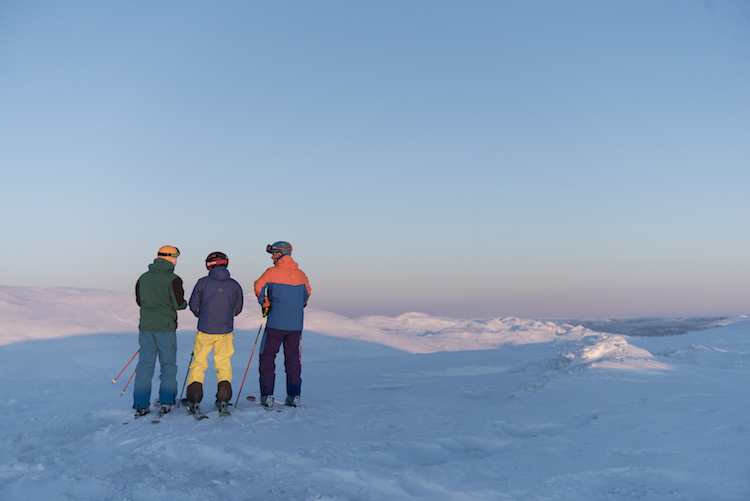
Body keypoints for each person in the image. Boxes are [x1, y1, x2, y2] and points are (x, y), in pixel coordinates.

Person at [185, 252, 244, 415]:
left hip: (205, 330)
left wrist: (202, 315)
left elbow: (193, 305)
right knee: (223, 363)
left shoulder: (202, 282)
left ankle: (194, 398)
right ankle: (224, 398)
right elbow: (238, 309)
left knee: (199, 363)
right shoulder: (234, 285)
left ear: (209, 265)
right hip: (225, 331)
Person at [254, 241, 311, 408]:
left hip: (275, 324)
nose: (272, 256)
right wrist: (299, 305)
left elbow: (258, 286)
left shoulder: (272, 272)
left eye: (273, 253)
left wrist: (265, 304)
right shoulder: (301, 274)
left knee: (267, 358)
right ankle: (294, 396)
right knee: (293, 361)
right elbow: (307, 293)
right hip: (295, 326)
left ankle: (267, 396)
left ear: (280, 254)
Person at [133, 245, 188, 417]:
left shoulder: (143, 278)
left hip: (146, 328)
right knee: (168, 365)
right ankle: (167, 401)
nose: (177, 260)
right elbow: (179, 304)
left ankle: (141, 404)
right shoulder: (174, 279)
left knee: (144, 366)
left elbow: (140, 301)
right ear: (170, 258)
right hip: (165, 328)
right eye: (176, 257)